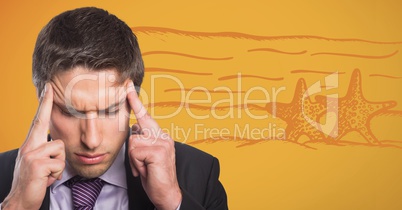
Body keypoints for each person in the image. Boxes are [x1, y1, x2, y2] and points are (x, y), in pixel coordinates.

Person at [0, 7, 228, 210]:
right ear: (41, 101)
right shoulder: (3, 175)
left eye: (109, 111)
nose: (91, 140)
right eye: (70, 112)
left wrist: (172, 201)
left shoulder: (198, 173)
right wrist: (16, 205)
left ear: (134, 100)